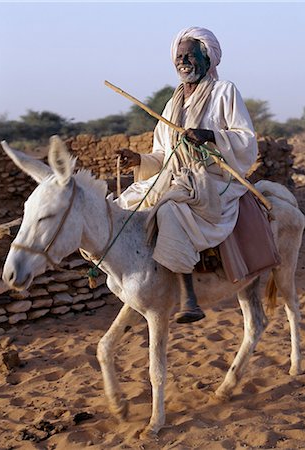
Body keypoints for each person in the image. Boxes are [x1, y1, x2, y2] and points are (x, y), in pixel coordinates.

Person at [116, 27, 258, 323]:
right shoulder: (172, 104)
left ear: (207, 59)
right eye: (179, 57)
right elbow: (163, 154)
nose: (183, 61)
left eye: (190, 55)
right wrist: (139, 159)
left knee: (170, 210)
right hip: (174, 176)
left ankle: (188, 297)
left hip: (213, 178)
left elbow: (246, 140)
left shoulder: (225, 91)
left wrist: (210, 136)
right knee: (125, 203)